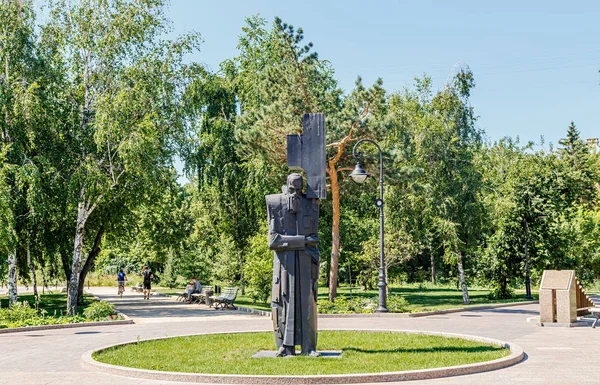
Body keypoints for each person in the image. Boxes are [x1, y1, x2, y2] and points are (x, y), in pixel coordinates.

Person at [267, 173, 320, 357]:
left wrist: (296, 242)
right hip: (285, 262)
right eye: (293, 189)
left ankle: (309, 347)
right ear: (287, 187)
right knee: (284, 301)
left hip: (306, 260)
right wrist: (303, 241)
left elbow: (316, 238)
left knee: (308, 302)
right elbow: (273, 241)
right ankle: (285, 346)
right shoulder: (274, 203)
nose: (296, 194)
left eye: (299, 190)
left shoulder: (311, 204)